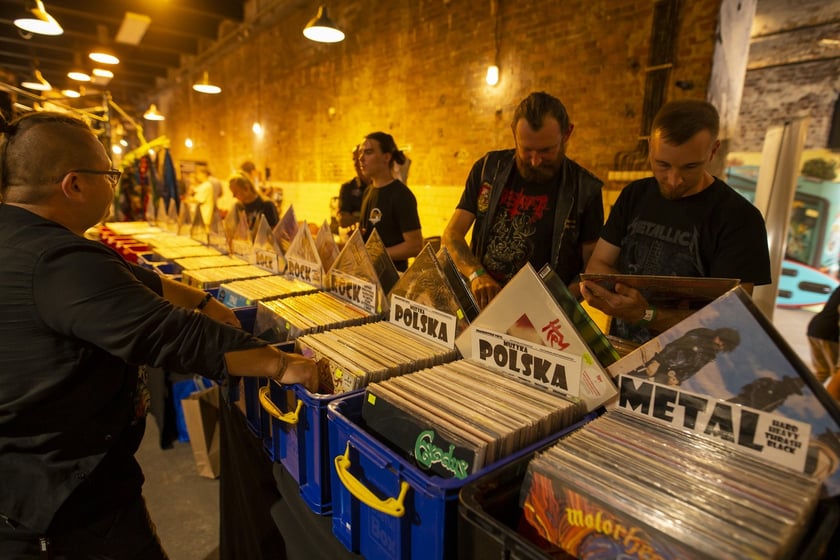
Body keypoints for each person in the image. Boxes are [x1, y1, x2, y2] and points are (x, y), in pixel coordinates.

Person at [0, 111, 318, 559]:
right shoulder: (55, 260)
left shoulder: (25, 237)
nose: (114, 183)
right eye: (109, 174)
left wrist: (205, 301)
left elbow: (128, 278)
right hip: (59, 508)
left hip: (41, 487)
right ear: (73, 185)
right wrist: (283, 363)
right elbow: (172, 335)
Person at [581, 99, 772, 344]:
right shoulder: (635, 195)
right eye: (662, 164)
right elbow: (598, 263)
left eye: (690, 167)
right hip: (623, 350)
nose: (673, 179)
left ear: (713, 151)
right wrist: (614, 296)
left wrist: (646, 314)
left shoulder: (740, 218)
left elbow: (731, 320)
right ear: (650, 147)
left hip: (693, 368)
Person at [442, 91, 604, 309]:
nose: (535, 161)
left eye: (546, 151)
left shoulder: (585, 188)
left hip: (543, 315)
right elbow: (452, 234)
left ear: (567, 134)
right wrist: (476, 274)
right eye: (526, 150)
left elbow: (591, 269)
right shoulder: (489, 169)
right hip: (483, 304)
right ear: (513, 132)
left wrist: (553, 304)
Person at [358, 132, 422, 271]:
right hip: (368, 277)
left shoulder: (401, 195)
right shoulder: (368, 192)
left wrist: (376, 255)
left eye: (368, 152)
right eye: (360, 152)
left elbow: (415, 246)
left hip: (392, 280)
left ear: (386, 157)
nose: (361, 158)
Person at [630, 327, 740, 386]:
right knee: (631, 379)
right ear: (719, 335)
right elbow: (674, 346)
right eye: (721, 341)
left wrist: (679, 378)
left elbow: (695, 368)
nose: (720, 345)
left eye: (724, 345)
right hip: (663, 362)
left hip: (670, 373)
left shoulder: (712, 353)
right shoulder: (701, 335)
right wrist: (657, 362)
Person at [807, 285, 840, 383]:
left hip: (815, 328)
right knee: (837, 376)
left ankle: (808, 396)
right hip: (829, 333)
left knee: (822, 372)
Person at [336, 144, 369, 229]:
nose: (356, 164)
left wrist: (355, 216)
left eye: (360, 159)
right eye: (354, 159)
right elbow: (343, 220)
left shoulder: (379, 187)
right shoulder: (347, 187)